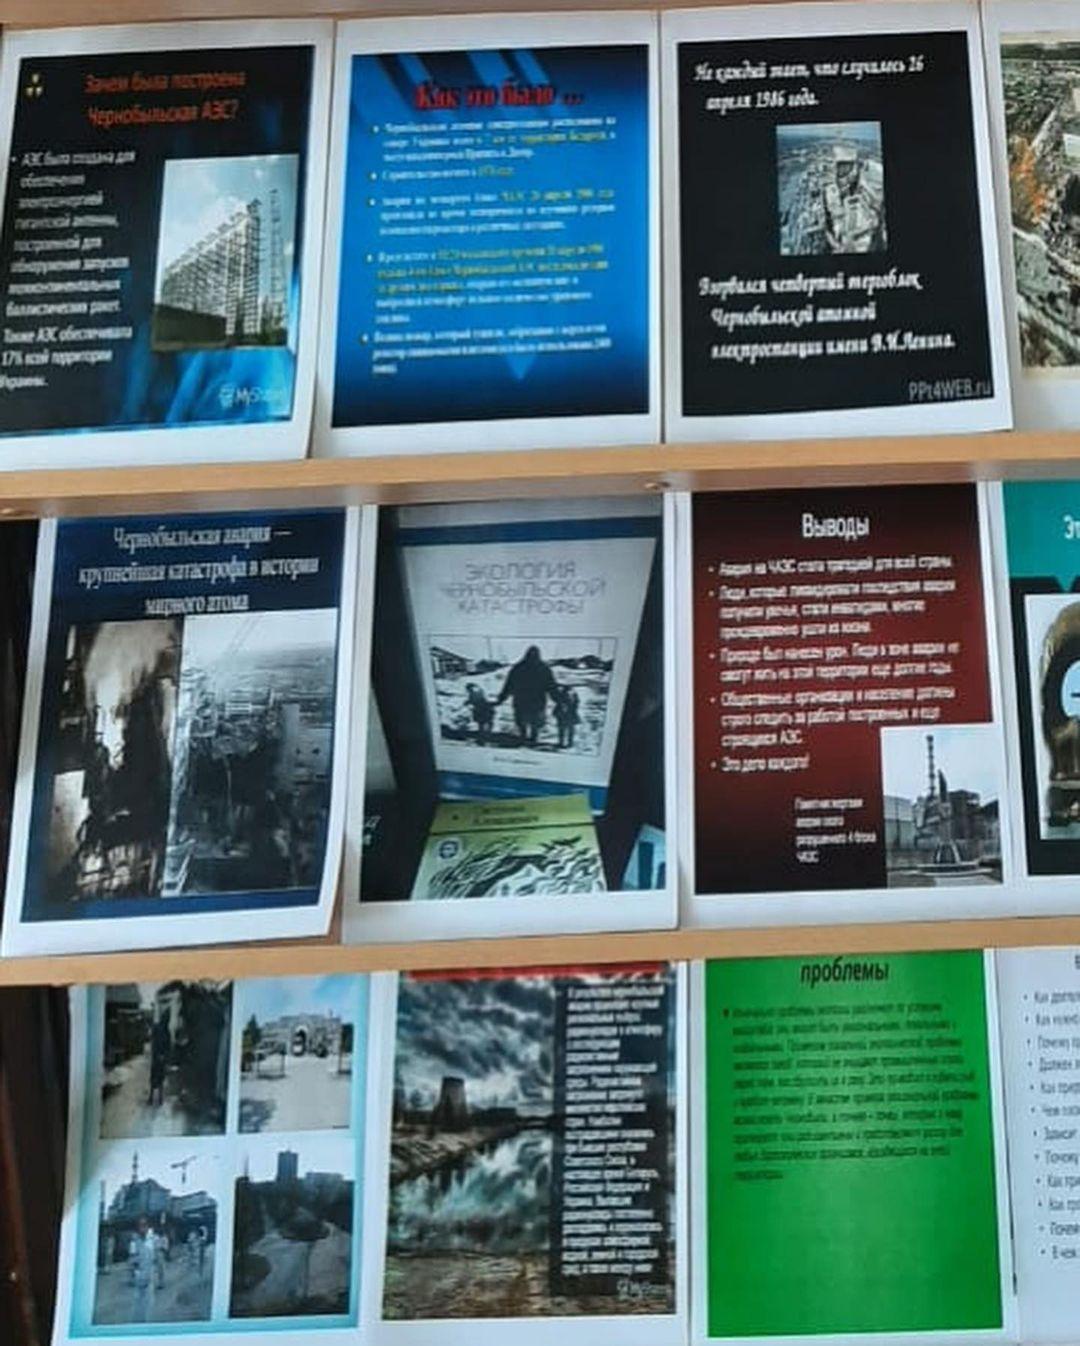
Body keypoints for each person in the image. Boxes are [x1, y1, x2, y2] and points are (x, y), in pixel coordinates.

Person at [495, 646, 559, 747]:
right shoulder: (544, 668)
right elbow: (551, 686)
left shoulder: (518, 668)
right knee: (534, 722)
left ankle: (524, 737)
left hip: (522, 700)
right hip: (536, 701)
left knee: (523, 721)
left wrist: (502, 698)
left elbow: (509, 685)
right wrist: (557, 698)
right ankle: (532, 738)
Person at [128, 1218, 157, 1323]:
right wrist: (134, 1274)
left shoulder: (152, 1240)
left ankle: (146, 1323)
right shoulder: (134, 1242)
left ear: (148, 1227)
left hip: (150, 1274)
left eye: (145, 1225)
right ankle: (136, 1323)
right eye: (141, 1226)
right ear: (138, 1228)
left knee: (149, 1303)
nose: (143, 1228)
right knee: (138, 1302)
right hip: (139, 1275)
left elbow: (154, 1257)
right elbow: (132, 1259)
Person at [148, 1008, 171, 1109]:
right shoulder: (159, 1028)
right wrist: (159, 1054)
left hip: (160, 1057)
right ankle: (153, 1098)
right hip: (157, 1056)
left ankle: (157, 1098)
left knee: (159, 1077)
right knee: (156, 1077)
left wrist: (164, 1055)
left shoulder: (165, 1030)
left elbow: (167, 1046)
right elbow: (153, 1041)